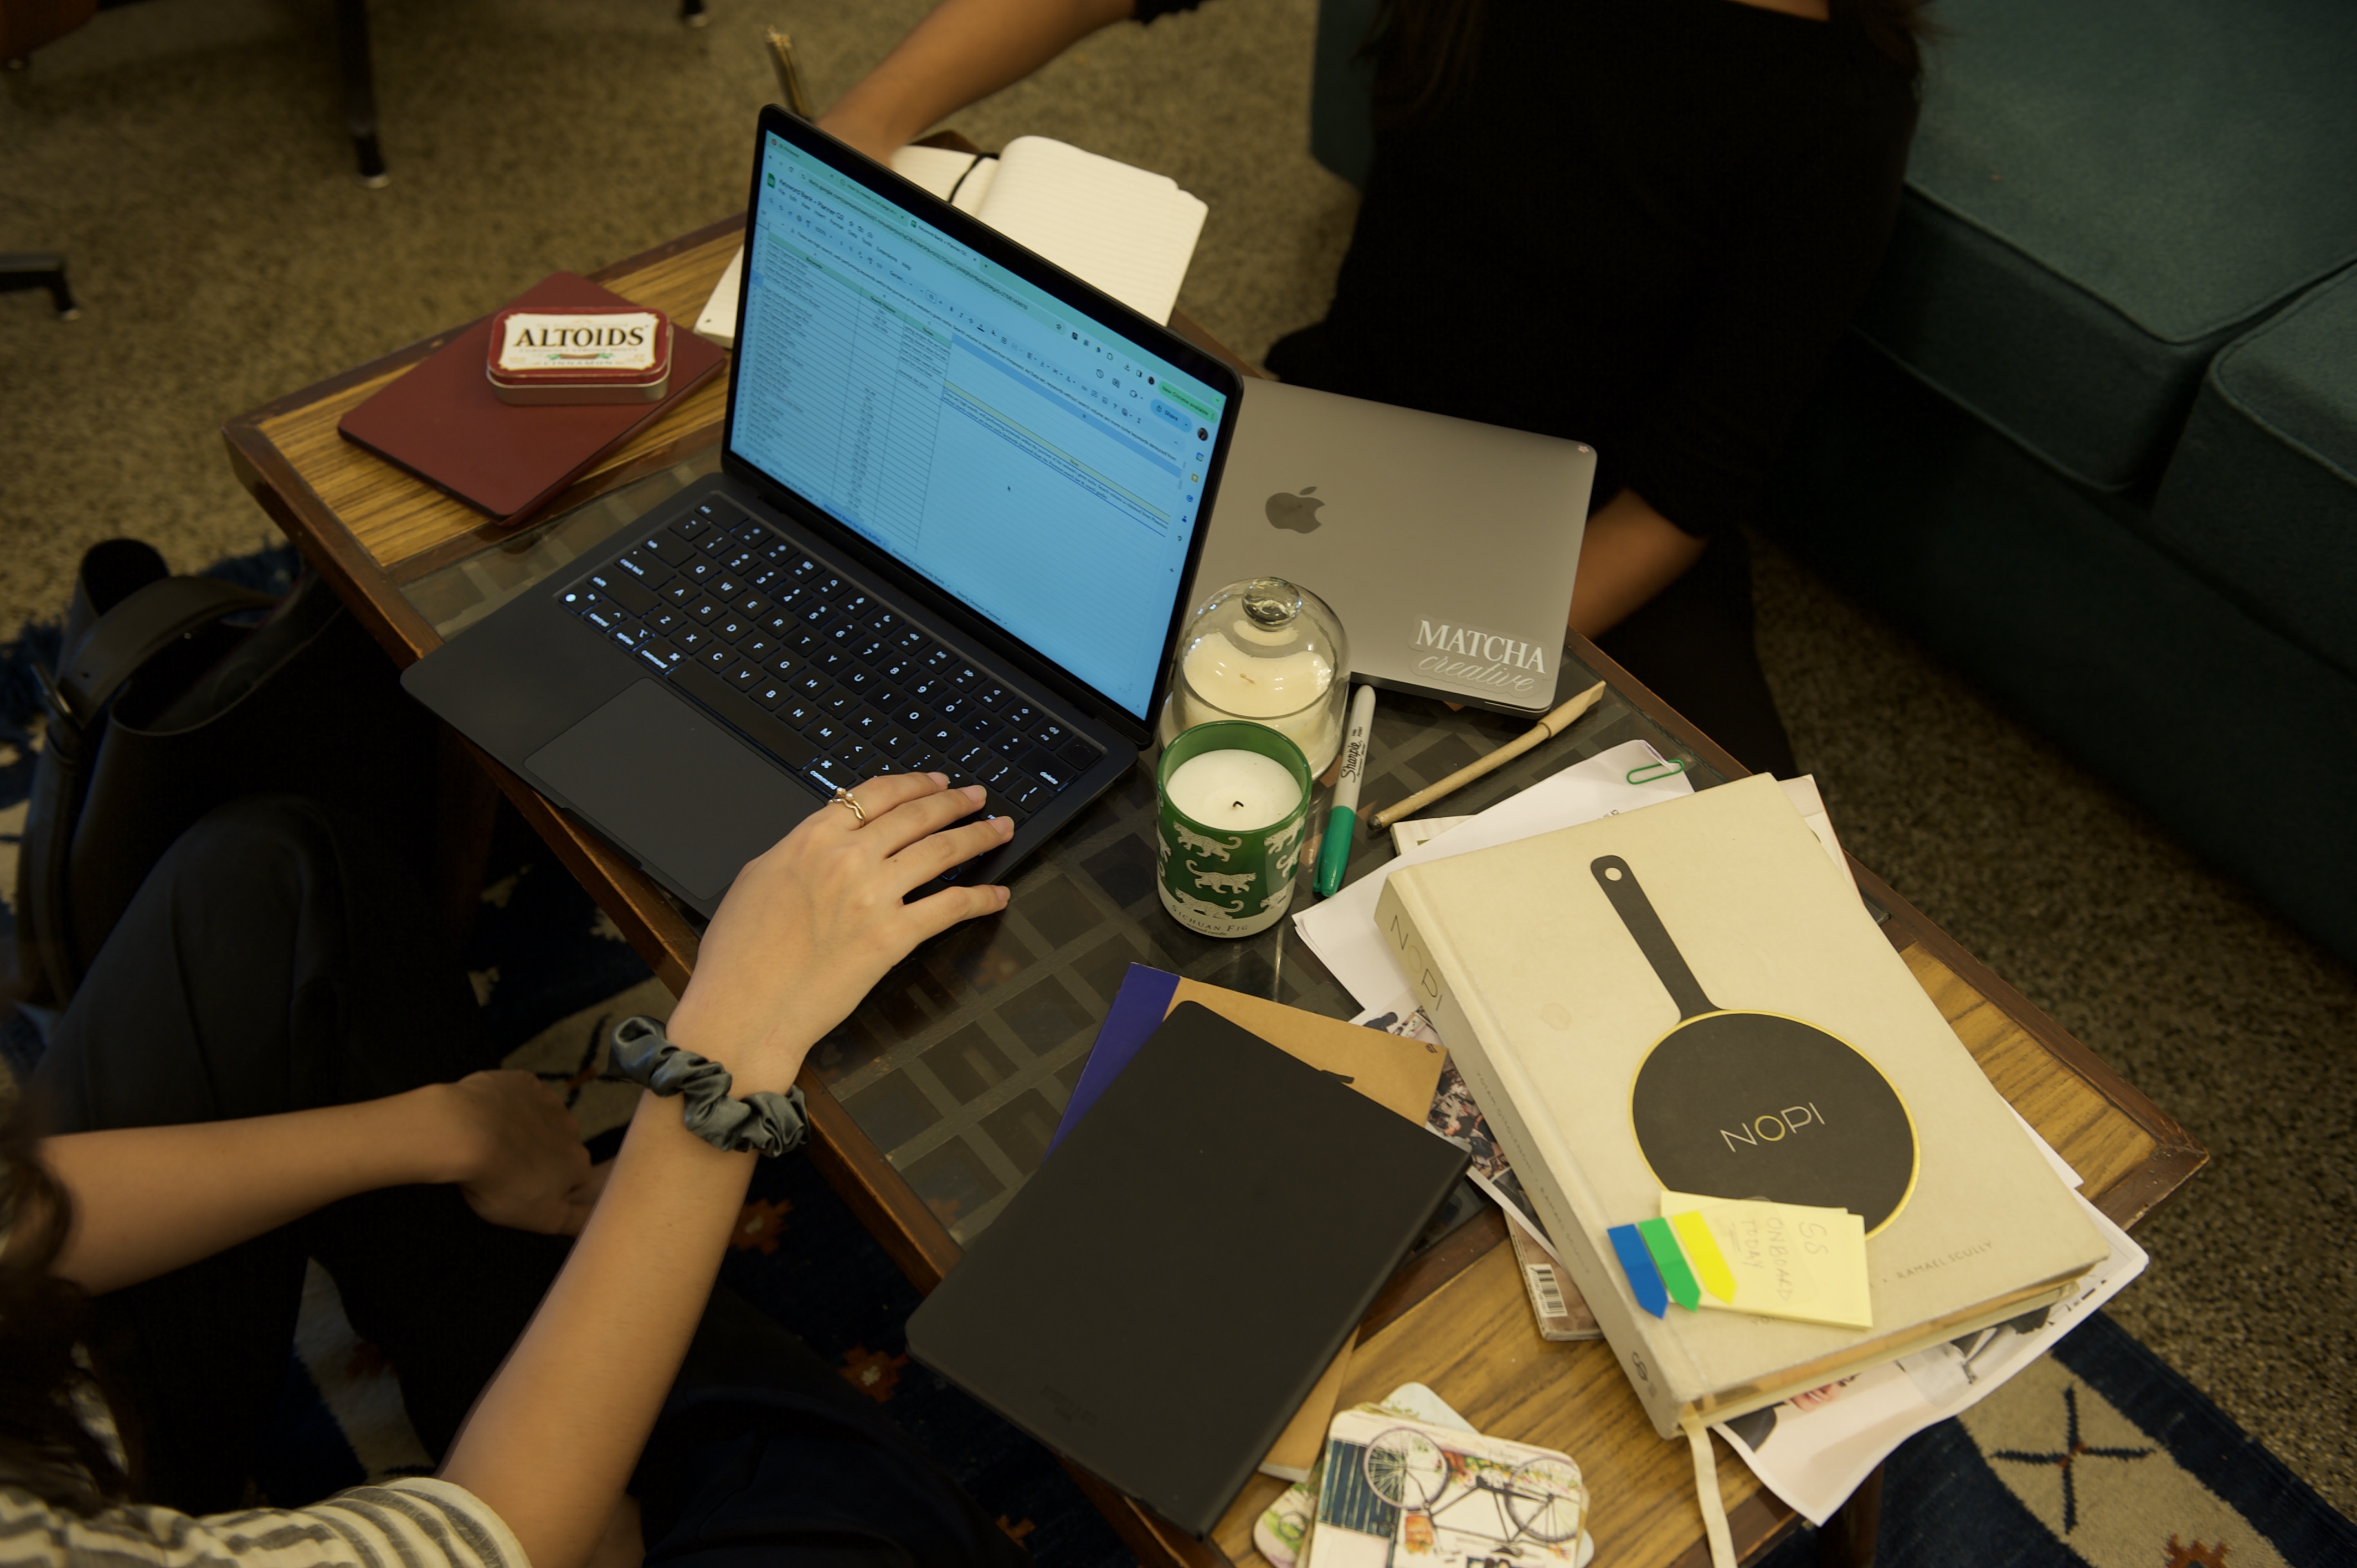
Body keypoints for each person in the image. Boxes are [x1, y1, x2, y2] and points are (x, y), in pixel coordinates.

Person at [820, 0, 1928, 776]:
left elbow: (1690, 492)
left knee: (1740, 863)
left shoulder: (1842, 99)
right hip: (1336, 440)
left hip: (1597, 535)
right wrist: (861, 129)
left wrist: (1477, 652)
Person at [0, 779, 1027, 1567]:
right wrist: (734, 1037)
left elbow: (18, 1219)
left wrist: (439, 1130)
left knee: (265, 879)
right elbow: (488, 1539)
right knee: (871, 1514)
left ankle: (533, 1361)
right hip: (118, 1512)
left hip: (47, 1409)